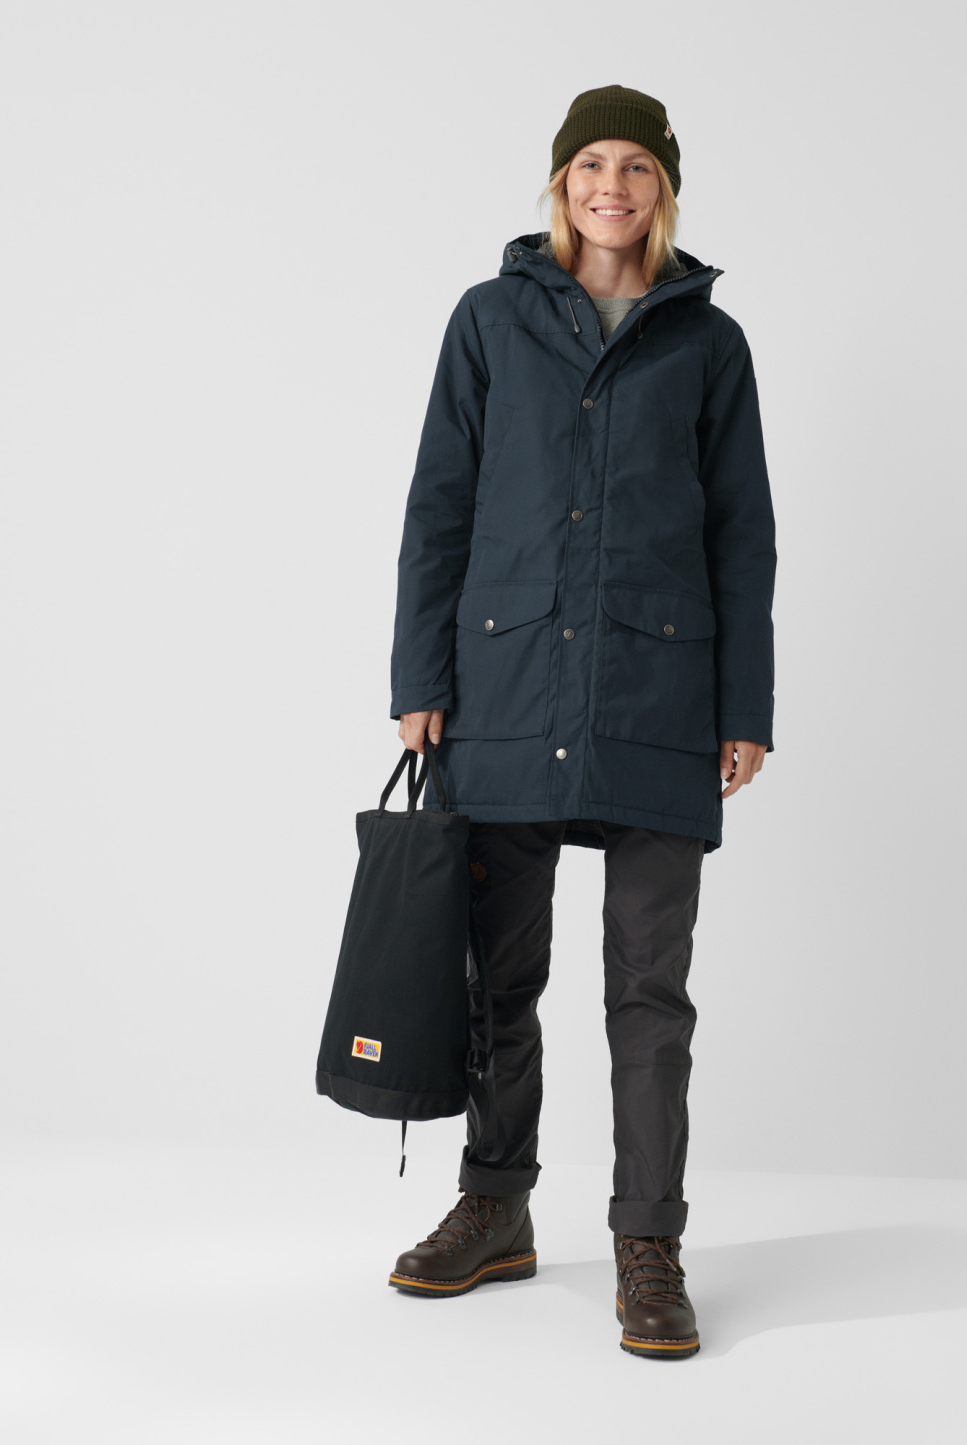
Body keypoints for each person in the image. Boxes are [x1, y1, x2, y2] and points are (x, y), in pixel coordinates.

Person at [383, 84, 776, 1359]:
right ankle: (494, 1205)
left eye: (636, 166)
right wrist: (419, 675)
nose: (612, 185)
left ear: (664, 188)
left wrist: (744, 704)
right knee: (497, 978)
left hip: (659, 692)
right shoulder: (488, 321)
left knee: (648, 990)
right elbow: (438, 506)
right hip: (502, 688)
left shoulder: (708, 344)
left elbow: (741, 533)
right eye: (591, 163)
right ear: (560, 182)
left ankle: (646, 1242)